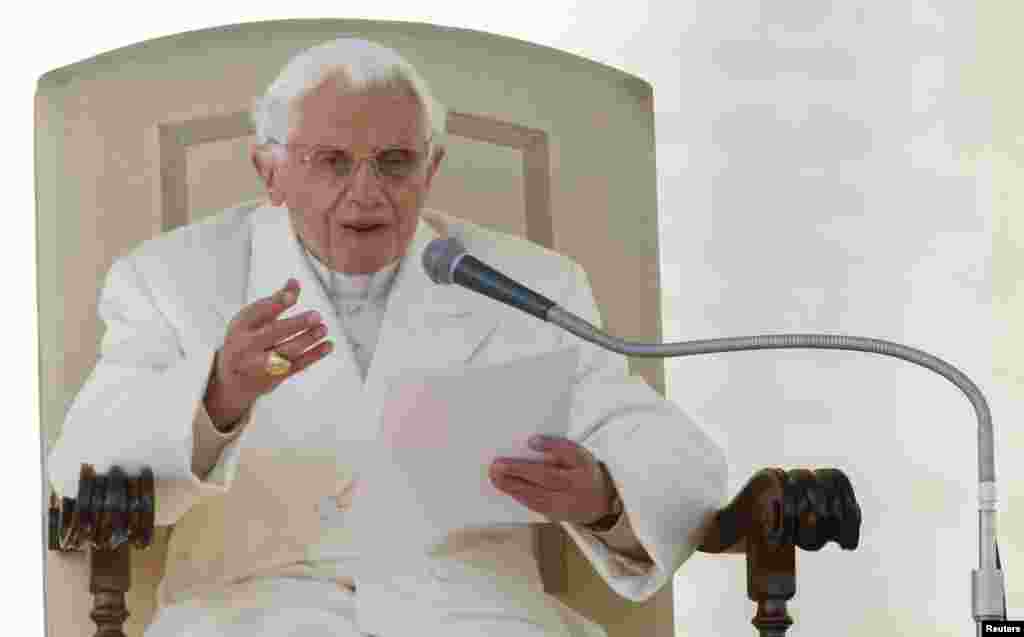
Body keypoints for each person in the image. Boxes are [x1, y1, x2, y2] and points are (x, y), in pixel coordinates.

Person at [46, 38, 728, 637]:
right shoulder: (171, 277)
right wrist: (217, 394)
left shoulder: (529, 282)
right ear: (271, 171)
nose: (367, 192)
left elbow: (662, 446)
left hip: (473, 612)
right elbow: (84, 460)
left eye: (395, 161)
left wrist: (606, 496)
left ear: (431, 169)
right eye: (333, 162)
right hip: (248, 609)